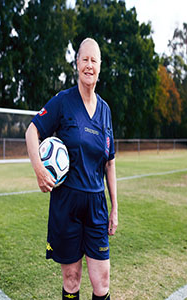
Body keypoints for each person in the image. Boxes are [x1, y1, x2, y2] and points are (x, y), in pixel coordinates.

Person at [25, 38, 118, 300]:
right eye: (85, 59)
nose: (89, 65)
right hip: (67, 204)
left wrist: (115, 207)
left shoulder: (106, 111)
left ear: (100, 67)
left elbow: (109, 162)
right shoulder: (63, 102)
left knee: (101, 281)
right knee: (71, 279)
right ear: (77, 63)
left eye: (94, 60)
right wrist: (39, 170)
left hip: (97, 205)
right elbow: (32, 131)